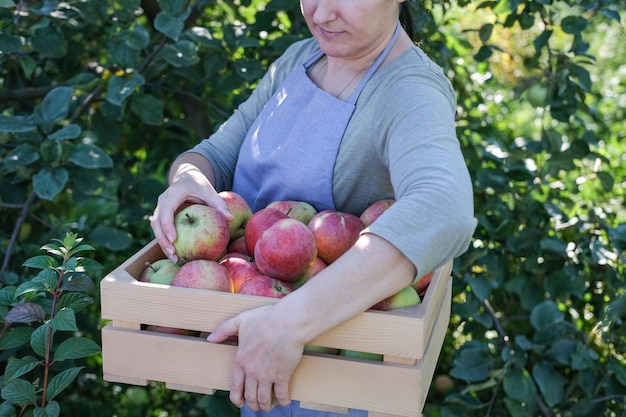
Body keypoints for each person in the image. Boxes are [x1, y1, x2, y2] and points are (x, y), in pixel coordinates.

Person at [150, 0, 476, 416]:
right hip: (262, 363)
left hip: (335, 386)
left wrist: (290, 320)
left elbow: (444, 207)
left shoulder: (410, 91)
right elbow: (215, 154)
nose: (321, 14)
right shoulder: (301, 59)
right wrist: (188, 179)